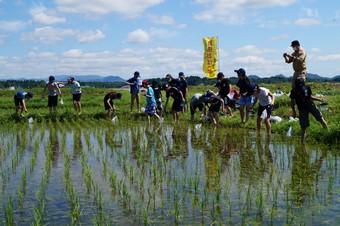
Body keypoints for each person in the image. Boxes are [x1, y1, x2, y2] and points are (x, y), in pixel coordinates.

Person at [290, 79, 328, 143]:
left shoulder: (303, 88)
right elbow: (293, 102)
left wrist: (319, 99)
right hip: (305, 107)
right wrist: (294, 111)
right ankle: (302, 143)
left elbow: (309, 97)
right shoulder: (296, 90)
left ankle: (327, 134)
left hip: (308, 106)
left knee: (320, 120)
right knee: (305, 126)